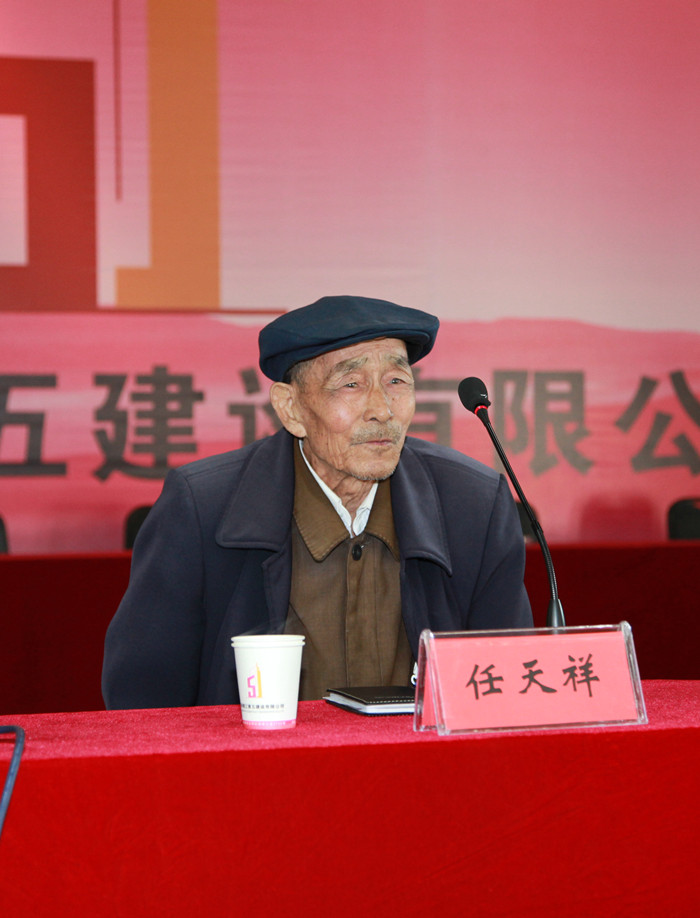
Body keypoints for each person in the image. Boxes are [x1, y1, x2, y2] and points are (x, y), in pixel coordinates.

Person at [102, 295, 532, 708]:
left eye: (396, 382)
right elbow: (143, 703)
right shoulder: (203, 509)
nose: (383, 410)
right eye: (351, 384)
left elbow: (510, 690)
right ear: (291, 408)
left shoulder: (473, 506)